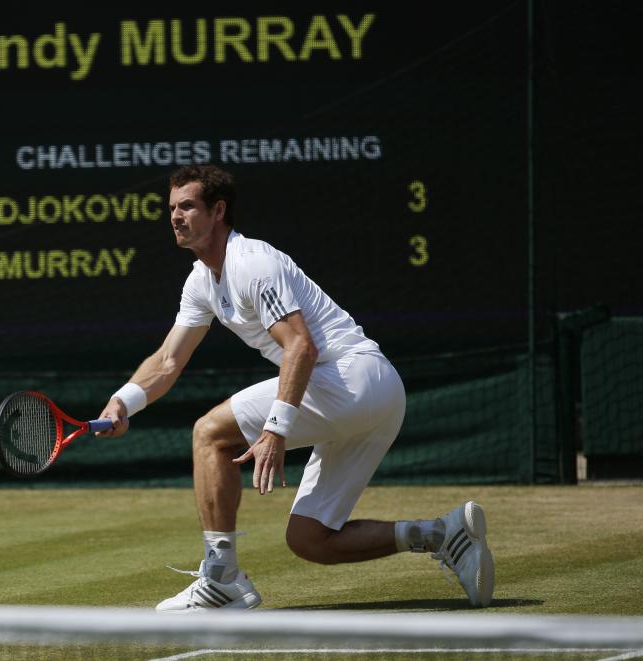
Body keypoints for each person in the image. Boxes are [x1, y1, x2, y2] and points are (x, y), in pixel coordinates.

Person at [97, 165, 494, 611]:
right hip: (375, 397)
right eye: (171, 208)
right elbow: (169, 361)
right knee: (310, 539)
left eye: (187, 206)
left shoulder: (252, 263)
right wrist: (123, 401)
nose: (175, 216)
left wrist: (275, 428)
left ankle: (221, 577)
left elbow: (300, 347)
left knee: (208, 432)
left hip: (352, 378)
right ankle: (442, 534)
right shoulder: (200, 282)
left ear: (218, 211)